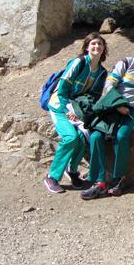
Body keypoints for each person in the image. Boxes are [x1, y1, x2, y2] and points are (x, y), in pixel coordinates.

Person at [81, 40, 134, 200]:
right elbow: (109, 84)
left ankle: (118, 178)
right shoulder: (128, 62)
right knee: (96, 136)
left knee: (121, 136)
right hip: (112, 106)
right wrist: (118, 105)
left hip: (132, 111)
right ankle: (100, 182)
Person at [44, 32, 108, 194]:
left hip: (78, 109)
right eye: (93, 43)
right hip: (60, 106)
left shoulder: (102, 72)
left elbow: (94, 96)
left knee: (81, 137)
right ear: (87, 47)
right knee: (70, 137)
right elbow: (63, 89)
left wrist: (83, 113)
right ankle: (52, 176)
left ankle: (72, 171)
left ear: (104, 48)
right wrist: (67, 110)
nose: (97, 46)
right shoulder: (78, 63)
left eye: (100, 44)